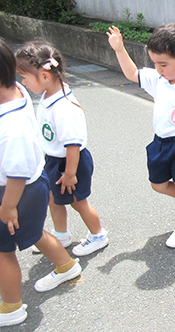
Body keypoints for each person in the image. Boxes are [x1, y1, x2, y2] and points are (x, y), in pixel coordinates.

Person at [0, 39, 82, 327]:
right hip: (34, 181)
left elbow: (16, 173)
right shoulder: (19, 91)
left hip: (17, 191)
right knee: (34, 232)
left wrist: (9, 207)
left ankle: (10, 307)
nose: (22, 80)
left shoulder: (12, 127)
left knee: (3, 251)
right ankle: (67, 265)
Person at [107, 23, 175, 247]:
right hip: (160, 143)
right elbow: (132, 73)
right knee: (158, 184)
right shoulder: (159, 79)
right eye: (155, 63)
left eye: (163, 64)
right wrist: (119, 49)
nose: (158, 69)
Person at [15, 40, 108, 256]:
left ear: (45, 76)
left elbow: (73, 145)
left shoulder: (63, 107)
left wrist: (70, 174)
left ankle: (98, 235)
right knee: (53, 199)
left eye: (25, 76)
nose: (22, 81)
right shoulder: (49, 96)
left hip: (70, 163)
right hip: (55, 160)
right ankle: (61, 234)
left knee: (78, 203)